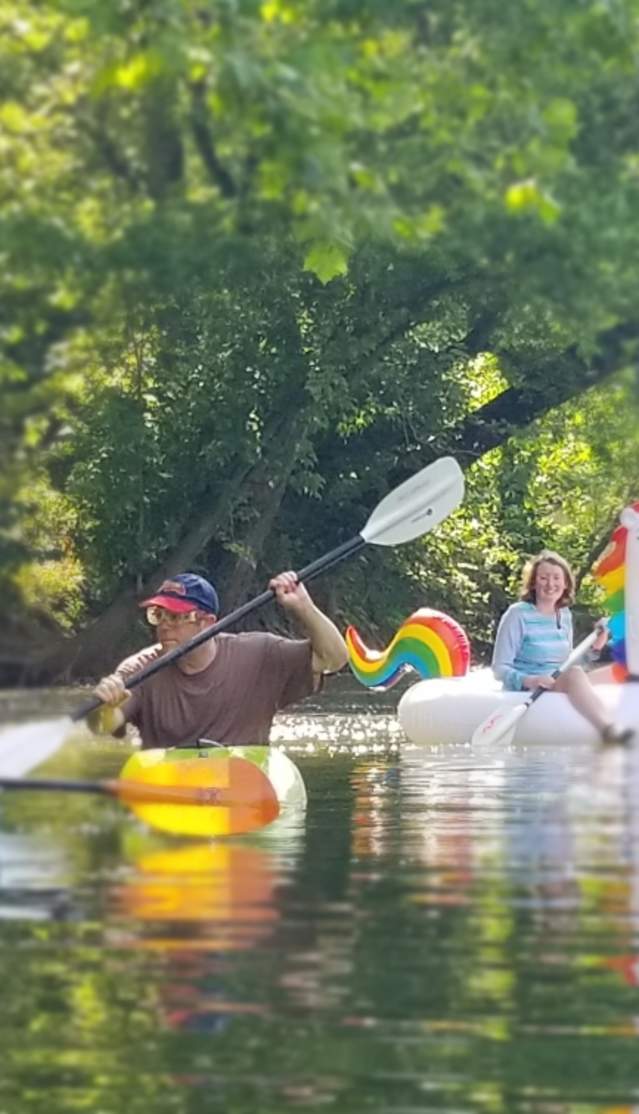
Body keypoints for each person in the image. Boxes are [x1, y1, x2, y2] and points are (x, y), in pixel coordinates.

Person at [89, 570, 348, 748]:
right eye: (159, 616)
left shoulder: (261, 653)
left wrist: (303, 607)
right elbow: (104, 726)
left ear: (208, 623)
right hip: (172, 787)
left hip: (241, 784)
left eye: (177, 617)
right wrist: (106, 707)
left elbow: (334, 659)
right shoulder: (141, 668)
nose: (164, 626)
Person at [492, 549, 633, 745]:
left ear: (565, 583)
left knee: (617, 670)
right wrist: (531, 680)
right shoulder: (517, 614)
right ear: (533, 583)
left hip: (558, 680)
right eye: (543, 578)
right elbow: (500, 669)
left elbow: (569, 663)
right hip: (530, 688)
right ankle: (608, 729)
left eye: (556, 578)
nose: (551, 584)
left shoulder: (564, 614)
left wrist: (597, 644)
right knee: (575, 674)